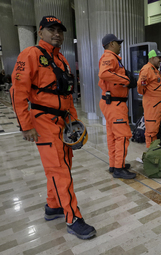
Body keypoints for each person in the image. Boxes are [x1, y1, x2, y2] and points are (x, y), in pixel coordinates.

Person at [10, 15, 96, 239]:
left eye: (60, 30)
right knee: (60, 170)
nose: (57, 34)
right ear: (40, 32)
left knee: (62, 165)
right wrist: (26, 126)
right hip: (43, 122)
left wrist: (74, 123)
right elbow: (17, 92)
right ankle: (73, 217)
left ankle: (53, 205)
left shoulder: (62, 61)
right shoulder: (30, 55)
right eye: (51, 29)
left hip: (63, 122)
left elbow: (67, 96)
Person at [98, 33, 136, 179]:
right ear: (111, 44)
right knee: (123, 136)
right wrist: (125, 80)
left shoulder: (110, 58)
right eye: (118, 43)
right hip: (115, 103)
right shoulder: (110, 57)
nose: (120, 46)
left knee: (112, 135)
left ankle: (114, 164)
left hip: (110, 102)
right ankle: (119, 168)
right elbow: (104, 73)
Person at [137, 49, 161, 148]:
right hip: (152, 107)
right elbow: (140, 86)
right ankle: (150, 155)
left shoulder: (154, 70)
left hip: (156, 107)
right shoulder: (147, 69)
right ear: (152, 58)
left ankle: (153, 152)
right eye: (158, 57)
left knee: (154, 131)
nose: (160, 59)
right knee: (150, 132)